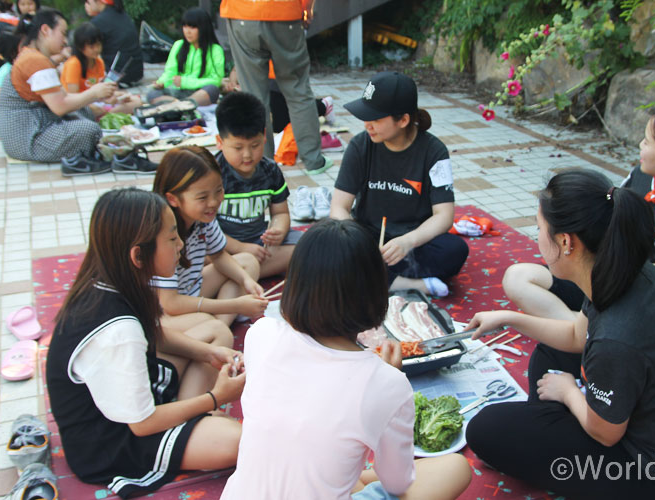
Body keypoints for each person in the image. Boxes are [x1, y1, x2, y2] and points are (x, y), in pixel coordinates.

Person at [464, 170, 655, 500]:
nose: (536, 237)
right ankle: (551, 428)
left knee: (486, 430)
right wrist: (508, 318)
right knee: (548, 355)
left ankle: (554, 433)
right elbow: (576, 334)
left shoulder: (617, 336)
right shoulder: (616, 266)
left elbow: (606, 434)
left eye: (539, 229)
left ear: (565, 242)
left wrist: (571, 392)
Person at [220, 218, 472, 500]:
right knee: (455, 467)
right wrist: (386, 380)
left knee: (332, 465)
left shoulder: (261, 333)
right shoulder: (386, 383)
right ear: (375, 294)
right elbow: (398, 483)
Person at [46, 187, 244, 498]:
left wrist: (210, 352)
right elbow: (141, 423)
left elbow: (153, 334)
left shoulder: (109, 280)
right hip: (109, 441)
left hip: (127, 404)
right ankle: (193, 419)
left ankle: (189, 418)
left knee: (216, 335)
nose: (180, 244)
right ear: (138, 255)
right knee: (240, 441)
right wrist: (215, 397)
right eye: (171, 238)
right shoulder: (117, 332)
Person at [503, 101, 655, 322]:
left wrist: (601, 276)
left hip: (642, 299)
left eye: (647, 142)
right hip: (601, 278)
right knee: (517, 278)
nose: (640, 146)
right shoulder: (642, 176)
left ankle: (586, 330)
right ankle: (580, 328)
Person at [331, 71, 469, 297]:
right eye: (366, 117)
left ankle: (370, 279)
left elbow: (444, 216)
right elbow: (339, 207)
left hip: (414, 242)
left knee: (454, 251)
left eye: (375, 119)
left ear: (403, 120)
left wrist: (407, 242)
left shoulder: (434, 151)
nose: (367, 125)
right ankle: (407, 284)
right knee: (324, 242)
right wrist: (360, 243)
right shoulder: (360, 146)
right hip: (368, 237)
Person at [152, 146, 269, 331]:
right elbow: (170, 303)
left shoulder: (204, 218)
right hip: (164, 312)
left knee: (248, 263)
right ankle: (216, 328)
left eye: (218, 191)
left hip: (192, 290)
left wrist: (246, 281)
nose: (214, 202)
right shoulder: (162, 233)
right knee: (206, 321)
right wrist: (235, 305)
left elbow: (219, 256)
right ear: (173, 199)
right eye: (202, 197)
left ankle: (218, 327)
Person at [221, 0, 333, 175]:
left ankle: (262, 165)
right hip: (285, 12)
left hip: (241, 12)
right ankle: (314, 161)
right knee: (298, 91)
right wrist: (306, 9)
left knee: (253, 96)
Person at [0, 8, 116, 172]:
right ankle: (77, 160)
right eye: (63, 33)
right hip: (27, 139)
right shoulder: (34, 60)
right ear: (46, 30)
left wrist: (96, 102)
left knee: (85, 112)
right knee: (89, 130)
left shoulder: (32, 56)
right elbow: (60, 106)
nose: (66, 41)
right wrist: (95, 93)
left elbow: (65, 99)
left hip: (29, 131)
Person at [215, 91, 298, 278]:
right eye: (238, 147)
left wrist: (278, 229)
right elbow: (205, 231)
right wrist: (241, 248)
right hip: (222, 246)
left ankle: (235, 274)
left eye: (254, 145)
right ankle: (241, 271)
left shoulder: (270, 170)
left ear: (265, 138)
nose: (247, 155)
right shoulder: (212, 174)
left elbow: (281, 213)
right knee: (195, 252)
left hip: (260, 246)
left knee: (304, 247)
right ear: (220, 142)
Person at [60, 22, 141, 117]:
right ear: (80, 47)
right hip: (81, 105)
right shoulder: (74, 64)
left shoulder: (99, 62)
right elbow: (73, 97)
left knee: (136, 101)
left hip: (98, 101)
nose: (96, 49)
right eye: (91, 47)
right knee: (96, 110)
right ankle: (107, 114)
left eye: (98, 45)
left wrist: (115, 96)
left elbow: (102, 91)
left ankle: (107, 114)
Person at [147, 7, 224, 107]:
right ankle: (183, 106)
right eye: (185, 26)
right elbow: (170, 72)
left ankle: (178, 106)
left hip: (200, 92)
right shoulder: (178, 45)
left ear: (203, 28)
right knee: (152, 93)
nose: (188, 31)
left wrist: (185, 82)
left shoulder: (215, 50)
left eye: (192, 27)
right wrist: (161, 83)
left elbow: (216, 80)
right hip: (178, 93)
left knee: (212, 89)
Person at [84, 0, 143, 87]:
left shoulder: (98, 22)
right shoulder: (123, 15)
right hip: (136, 73)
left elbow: (85, 50)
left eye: (87, 1)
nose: (86, 4)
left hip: (116, 77)